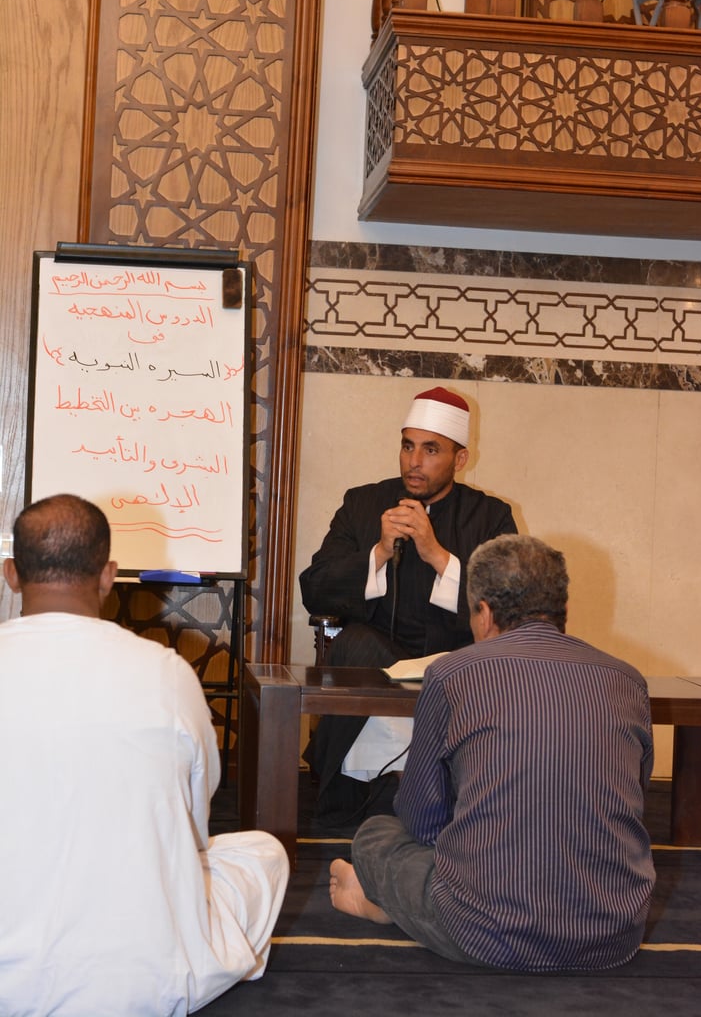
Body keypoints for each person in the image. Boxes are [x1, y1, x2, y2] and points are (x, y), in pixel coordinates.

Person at [0, 494, 289, 1016]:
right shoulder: (165, 671)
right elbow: (193, 818)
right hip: (139, 985)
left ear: (11, 575)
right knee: (261, 855)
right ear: (110, 575)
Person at [329, 534, 656, 973]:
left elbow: (423, 821)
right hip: (613, 934)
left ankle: (386, 903)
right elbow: (632, 801)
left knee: (377, 833)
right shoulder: (628, 680)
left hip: (487, 931)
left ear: (483, 612)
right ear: (563, 610)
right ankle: (398, 903)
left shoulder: (450, 674)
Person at [300, 385, 517, 819]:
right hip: (376, 665)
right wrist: (379, 551)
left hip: (453, 669)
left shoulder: (491, 516)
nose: (414, 462)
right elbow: (315, 590)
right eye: (407, 446)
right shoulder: (362, 503)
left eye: (431, 450)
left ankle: (400, 784)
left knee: (461, 672)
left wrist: (437, 554)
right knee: (356, 645)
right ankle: (408, 785)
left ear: (459, 459)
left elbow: (507, 612)